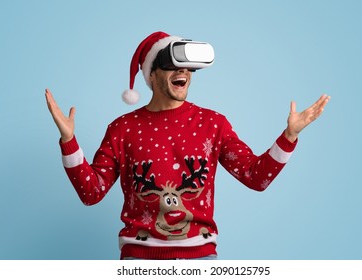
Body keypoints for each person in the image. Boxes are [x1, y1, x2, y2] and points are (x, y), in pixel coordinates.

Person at [45, 31, 330, 260]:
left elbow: (255, 177)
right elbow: (91, 192)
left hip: (201, 260)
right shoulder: (122, 128)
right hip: (139, 261)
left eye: (187, 66)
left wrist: (289, 136)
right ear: (152, 75)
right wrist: (69, 141)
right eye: (171, 65)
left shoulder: (213, 124)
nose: (183, 72)